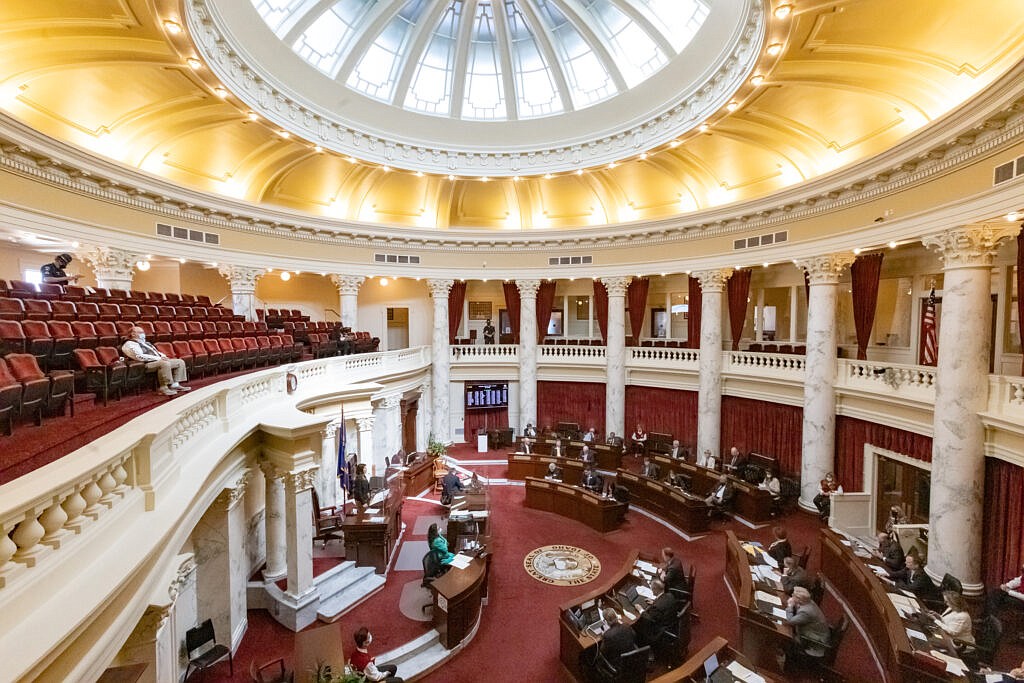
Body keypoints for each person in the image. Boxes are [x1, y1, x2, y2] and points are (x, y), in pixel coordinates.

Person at [121, 325, 191, 396]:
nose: (143, 334)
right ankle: (163, 388)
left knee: (179, 362)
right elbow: (139, 356)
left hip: (156, 361)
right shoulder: (129, 344)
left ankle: (175, 385)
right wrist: (159, 359)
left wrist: (163, 356)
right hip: (144, 364)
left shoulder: (145, 343)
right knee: (164, 363)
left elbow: (155, 352)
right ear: (133, 334)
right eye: (140, 332)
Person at [785, 586, 831, 659]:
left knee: (785, 635)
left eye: (793, 596)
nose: (791, 597)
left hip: (812, 642)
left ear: (799, 600)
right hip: (814, 634)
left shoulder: (806, 612)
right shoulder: (809, 602)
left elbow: (789, 621)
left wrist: (790, 607)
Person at [635, 578, 678, 645]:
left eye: (652, 589)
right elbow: (663, 603)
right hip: (673, 622)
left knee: (638, 625)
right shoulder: (670, 595)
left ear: (656, 590)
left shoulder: (657, 607)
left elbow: (650, 619)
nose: (652, 591)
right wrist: (654, 602)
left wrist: (640, 610)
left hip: (660, 631)